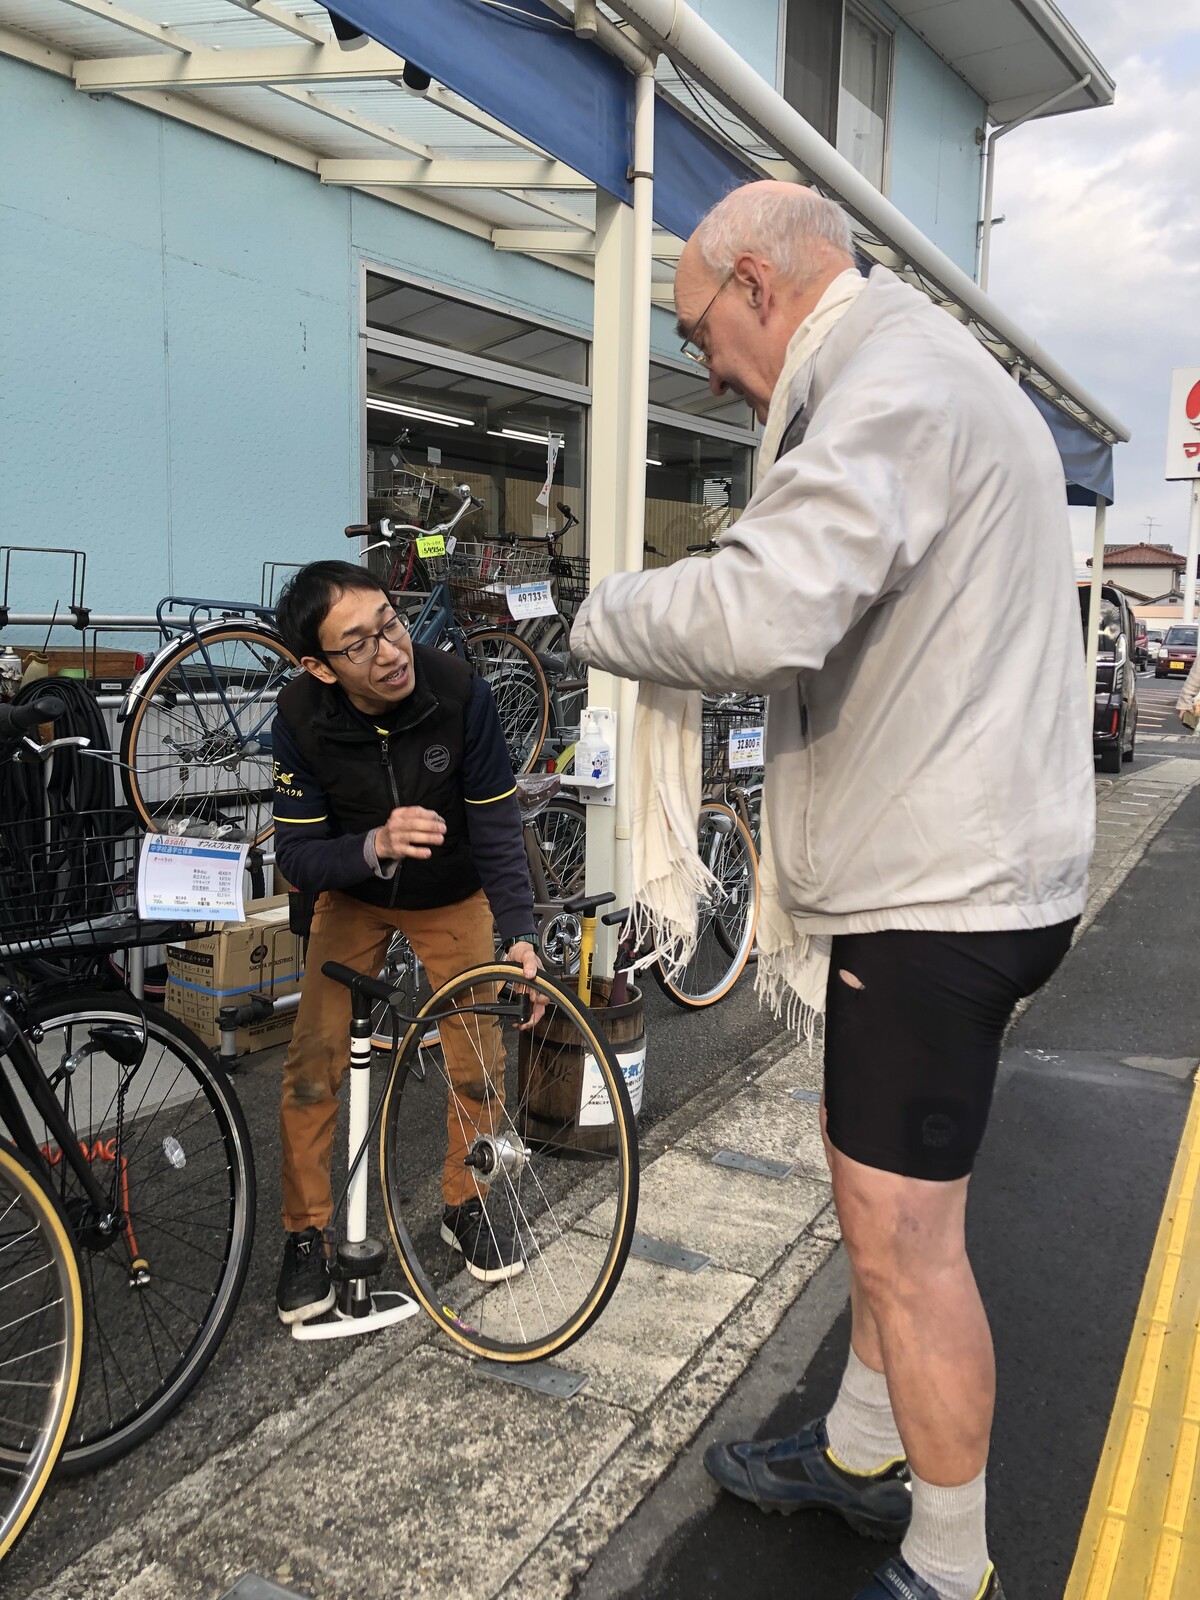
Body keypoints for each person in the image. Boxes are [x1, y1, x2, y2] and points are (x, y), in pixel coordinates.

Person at [571, 183, 1094, 1600]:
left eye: (698, 335)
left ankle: (948, 1564)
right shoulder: (918, 367)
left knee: (905, 1241)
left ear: (754, 282)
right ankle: (865, 1454)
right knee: (891, 1200)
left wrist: (600, 610)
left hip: (938, 893)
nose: (712, 369)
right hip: (963, 876)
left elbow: (761, 609)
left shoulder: (891, 382)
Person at [269, 560, 542, 1324]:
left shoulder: (458, 691)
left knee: (478, 1057)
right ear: (317, 666)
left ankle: (467, 1202)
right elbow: (295, 855)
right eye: (358, 645)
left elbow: (495, 821)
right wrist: (374, 846)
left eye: (389, 622)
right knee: (312, 1064)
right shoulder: (298, 718)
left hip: (453, 893)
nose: (390, 651)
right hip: (355, 893)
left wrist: (519, 931)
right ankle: (306, 1234)